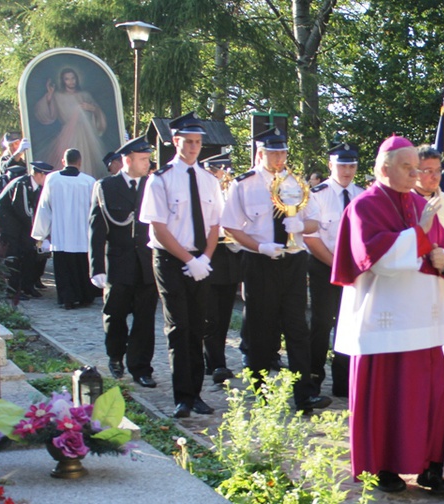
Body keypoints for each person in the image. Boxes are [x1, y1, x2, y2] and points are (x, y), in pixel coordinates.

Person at [331, 135, 444, 494]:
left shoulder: (421, 204)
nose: (415, 173)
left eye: (416, 167)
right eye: (407, 167)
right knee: (385, 396)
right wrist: (420, 238)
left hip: (423, 320)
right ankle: (381, 466)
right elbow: (379, 258)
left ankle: (431, 465)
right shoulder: (363, 206)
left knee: (430, 395)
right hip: (383, 319)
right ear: (384, 168)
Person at [221, 127, 332, 414]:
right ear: (261, 153)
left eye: (283, 152)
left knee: (297, 328)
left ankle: (304, 395)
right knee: (261, 328)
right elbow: (231, 226)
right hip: (260, 262)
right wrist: (259, 247)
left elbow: (314, 222)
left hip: (293, 260)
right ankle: (261, 394)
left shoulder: (296, 183)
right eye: (274, 152)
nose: (279, 157)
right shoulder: (244, 184)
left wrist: (299, 226)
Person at [139, 112, 223, 418]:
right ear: (176, 142)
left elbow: (215, 224)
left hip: (201, 258)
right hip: (171, 260)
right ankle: (182, 397)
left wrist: (205, 259)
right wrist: (188, 259)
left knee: (198, 325)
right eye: (188, 142)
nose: (193, 148)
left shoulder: (209, 181)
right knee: (179, 327)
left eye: (198, 142)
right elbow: (159, 228)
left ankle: (196, 393)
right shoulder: (159, 180)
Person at [89, 136, 158, 389]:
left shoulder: (153, 185)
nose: (147, 164)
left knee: (145, 319)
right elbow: (97, 228)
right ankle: (115, 357)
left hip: (147, 264)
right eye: (142, 159)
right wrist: (97, 267)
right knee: (115, 315)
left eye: (148, 159)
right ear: (127, 160)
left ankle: (141, 367)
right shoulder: (106, 187)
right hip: (118, 264)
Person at [303, 142, 364, 397]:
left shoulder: (362, 195)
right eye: (342, 165)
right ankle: (314, 378)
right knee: (321, 322)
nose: (347, 171)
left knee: (349, 324)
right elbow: (311, 237)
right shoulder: (317, 194)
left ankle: (344, 380)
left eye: (351, 165)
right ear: (331, 165)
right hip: (324, 266)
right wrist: (335, 265)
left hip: (355, 271)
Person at [31, 148, 96, 309]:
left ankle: (67, 298)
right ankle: (85, 297)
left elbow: (44, 206)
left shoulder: (52, 179)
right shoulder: (89, 181)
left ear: (63, 161)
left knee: (64, 269)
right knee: (82, 267)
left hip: (61, 234)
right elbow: (95, 209)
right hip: (83, 234)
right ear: (80, 162)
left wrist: (40, 233)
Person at [201, 152, 241, 385]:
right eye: (218, 171)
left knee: (223, 316)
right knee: (211, 317)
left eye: (225, 172)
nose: (222, 176)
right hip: (209, 260)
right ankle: (215, 363)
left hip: (230, 263)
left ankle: (216, 360)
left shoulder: (231, 194)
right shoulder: (202, 194)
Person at [0, 161, 54, 299]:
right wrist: (36, 229)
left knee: (29, 254)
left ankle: (27, 286)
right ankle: (13, 290)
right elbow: (23, 209)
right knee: (14, 256)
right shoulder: (23, 184)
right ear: (38, 174)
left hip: (20, 225)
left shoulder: (37, 187)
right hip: (7, 224)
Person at [34, 68, 108, 179]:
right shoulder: (58, 96)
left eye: (73, 78)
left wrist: (92, 108)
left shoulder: (85, 95)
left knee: (87, 161)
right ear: (63, 81)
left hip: (86, 135)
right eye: (67, 79)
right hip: (68, 134)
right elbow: (46, 114)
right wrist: (49, 95)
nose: (71, 81)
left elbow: (98, 113)